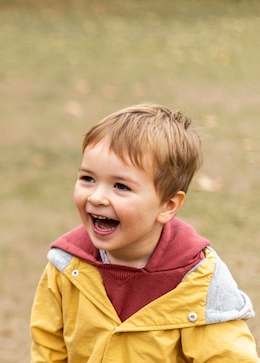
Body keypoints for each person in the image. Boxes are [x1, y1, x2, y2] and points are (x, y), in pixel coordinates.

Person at [30, 103, 260, 362]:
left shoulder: (196, 281)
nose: (97, 197)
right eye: (88, 178)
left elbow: (229, 357)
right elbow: (48, 346)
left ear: (168, 205)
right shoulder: (67, 264)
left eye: (120, 186)